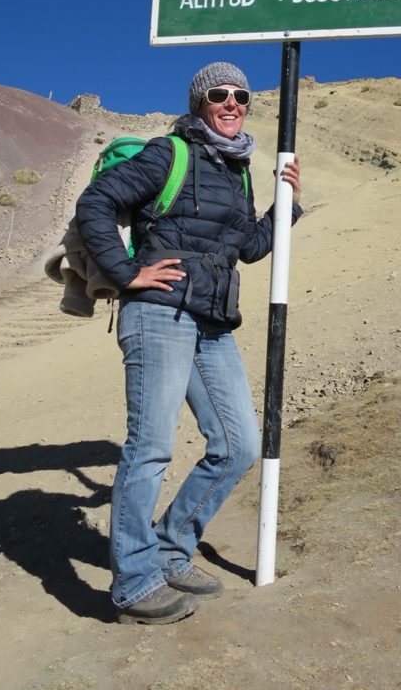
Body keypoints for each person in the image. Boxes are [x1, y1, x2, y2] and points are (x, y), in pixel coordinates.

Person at [74, 62, 302, 624]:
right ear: (200, 102)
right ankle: (132, 582)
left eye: (241, 96)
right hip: (158, 316)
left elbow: (247, 247)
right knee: (150, 448)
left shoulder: (237, 170)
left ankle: (172, 549)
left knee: (239, 445)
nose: (232, 104)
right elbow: (95, 204)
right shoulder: (167, 154)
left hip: (212, 323)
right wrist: (128, 273)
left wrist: (285, 208)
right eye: (219, 95)